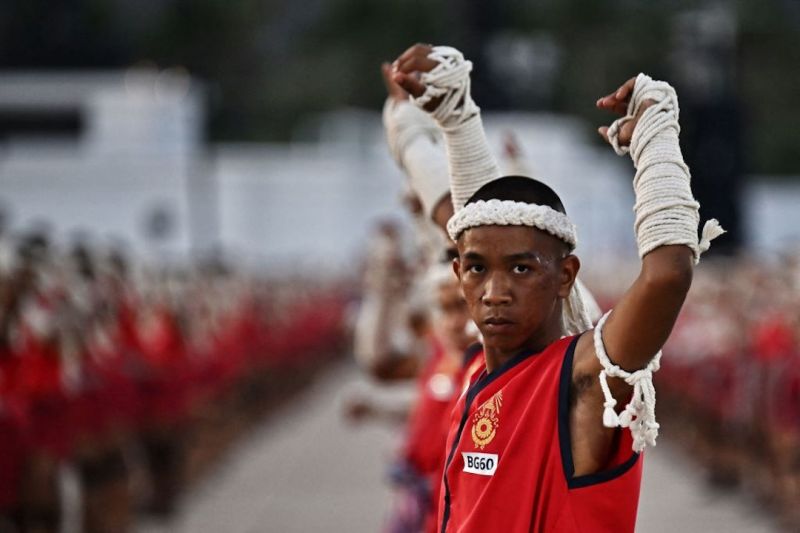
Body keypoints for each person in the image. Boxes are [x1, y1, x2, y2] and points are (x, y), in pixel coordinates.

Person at [388, 44, 724, 532]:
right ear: (458, 272)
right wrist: (448, 119)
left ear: (565, 275)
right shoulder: (478, 372)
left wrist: (655, 136)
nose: (494, 291)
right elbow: (463, 219)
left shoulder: (579, 379)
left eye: (522, 270)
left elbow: (667, 276)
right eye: (477, 270)